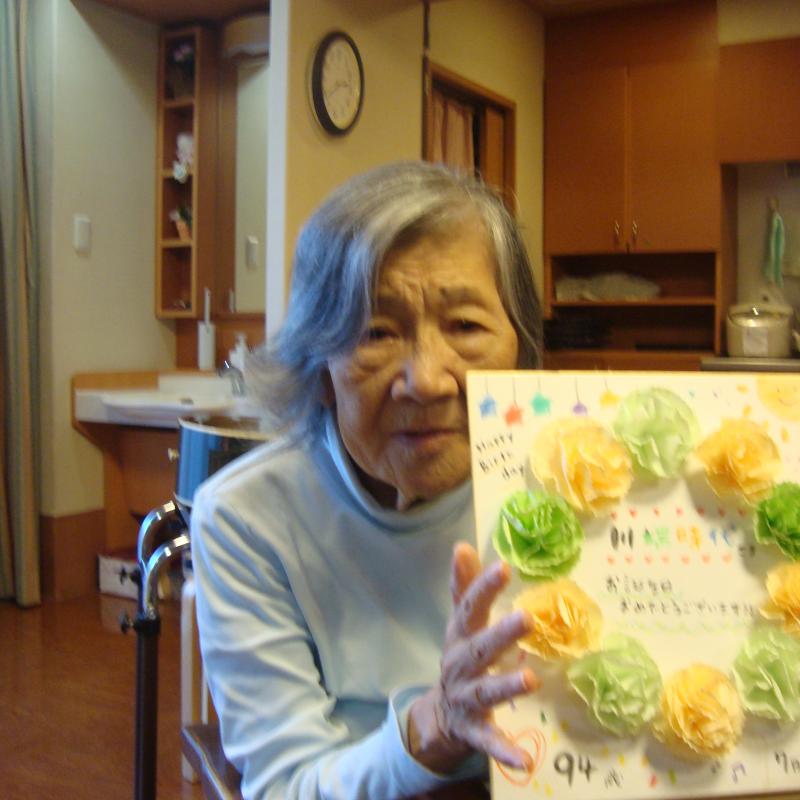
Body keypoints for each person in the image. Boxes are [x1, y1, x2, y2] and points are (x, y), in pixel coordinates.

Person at [191, 160, 544, 799]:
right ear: (319, 365)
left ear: (518, 346)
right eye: (377, 332)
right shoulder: (248, 519)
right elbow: (287, 786)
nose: (427, 381)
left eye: (466, 326)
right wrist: (434, 726)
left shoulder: (558, 482)